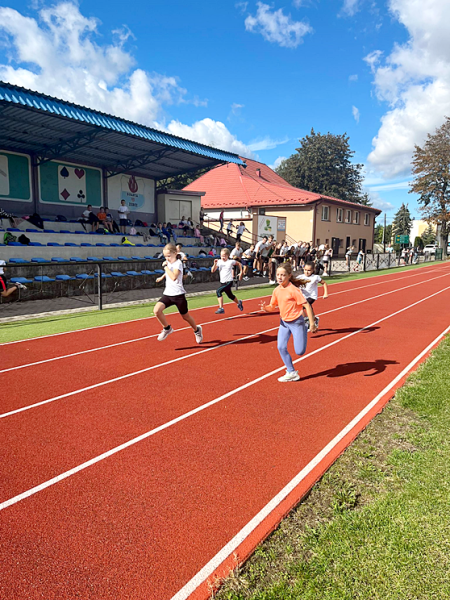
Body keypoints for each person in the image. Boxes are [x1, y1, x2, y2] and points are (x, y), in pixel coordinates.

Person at [260, 262, 317, 382]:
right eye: (278, 275)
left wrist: (312, 323)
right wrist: (266, 308)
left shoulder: (294, 290)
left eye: (283, 275)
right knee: (280, 347)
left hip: (297, 323)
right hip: (284, 323)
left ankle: (305, 325)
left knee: (299, 352)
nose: (280, 277)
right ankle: (291, 372)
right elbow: (272, 306)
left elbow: (307, 306)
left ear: (289, 276)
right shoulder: (276, 290)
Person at [154, 244, 203, 343]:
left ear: (175, 253)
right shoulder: (169, 264)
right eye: (165, 256)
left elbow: (173, 277)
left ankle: (197, 330)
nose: (167, 258)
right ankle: (167, 328)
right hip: (168, 294)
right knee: (156, 311)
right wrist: (162, 277)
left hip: (178, 295)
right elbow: (168, 272)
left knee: (186, 317)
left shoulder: (178, 263)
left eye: (169, 256)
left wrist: (165, 268)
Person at [211, 248, 244, 314]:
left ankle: (221, 308)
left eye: (224, 255)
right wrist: (214, 264)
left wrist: (241, 272)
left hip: (229, 281)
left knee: (218, 291)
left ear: (228, 255)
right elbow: (212, 271)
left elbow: (239, 264)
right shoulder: (219, 262)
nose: (222, 257)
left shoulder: (230, 262)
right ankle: (238, 302)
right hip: (222, 282)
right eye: (221, 255)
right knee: (230, 295)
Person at [302, 261, 329, 331]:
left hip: (311, 296)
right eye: (305, 270)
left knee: (302, 306)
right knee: (304, 308)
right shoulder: (300, 277)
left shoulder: (315, 277)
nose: (306, 272)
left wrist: (325, 293)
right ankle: (314, 319)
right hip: (303, 296)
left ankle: (307, 321)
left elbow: (324, 283)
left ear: (312, 270)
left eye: (309, 270)